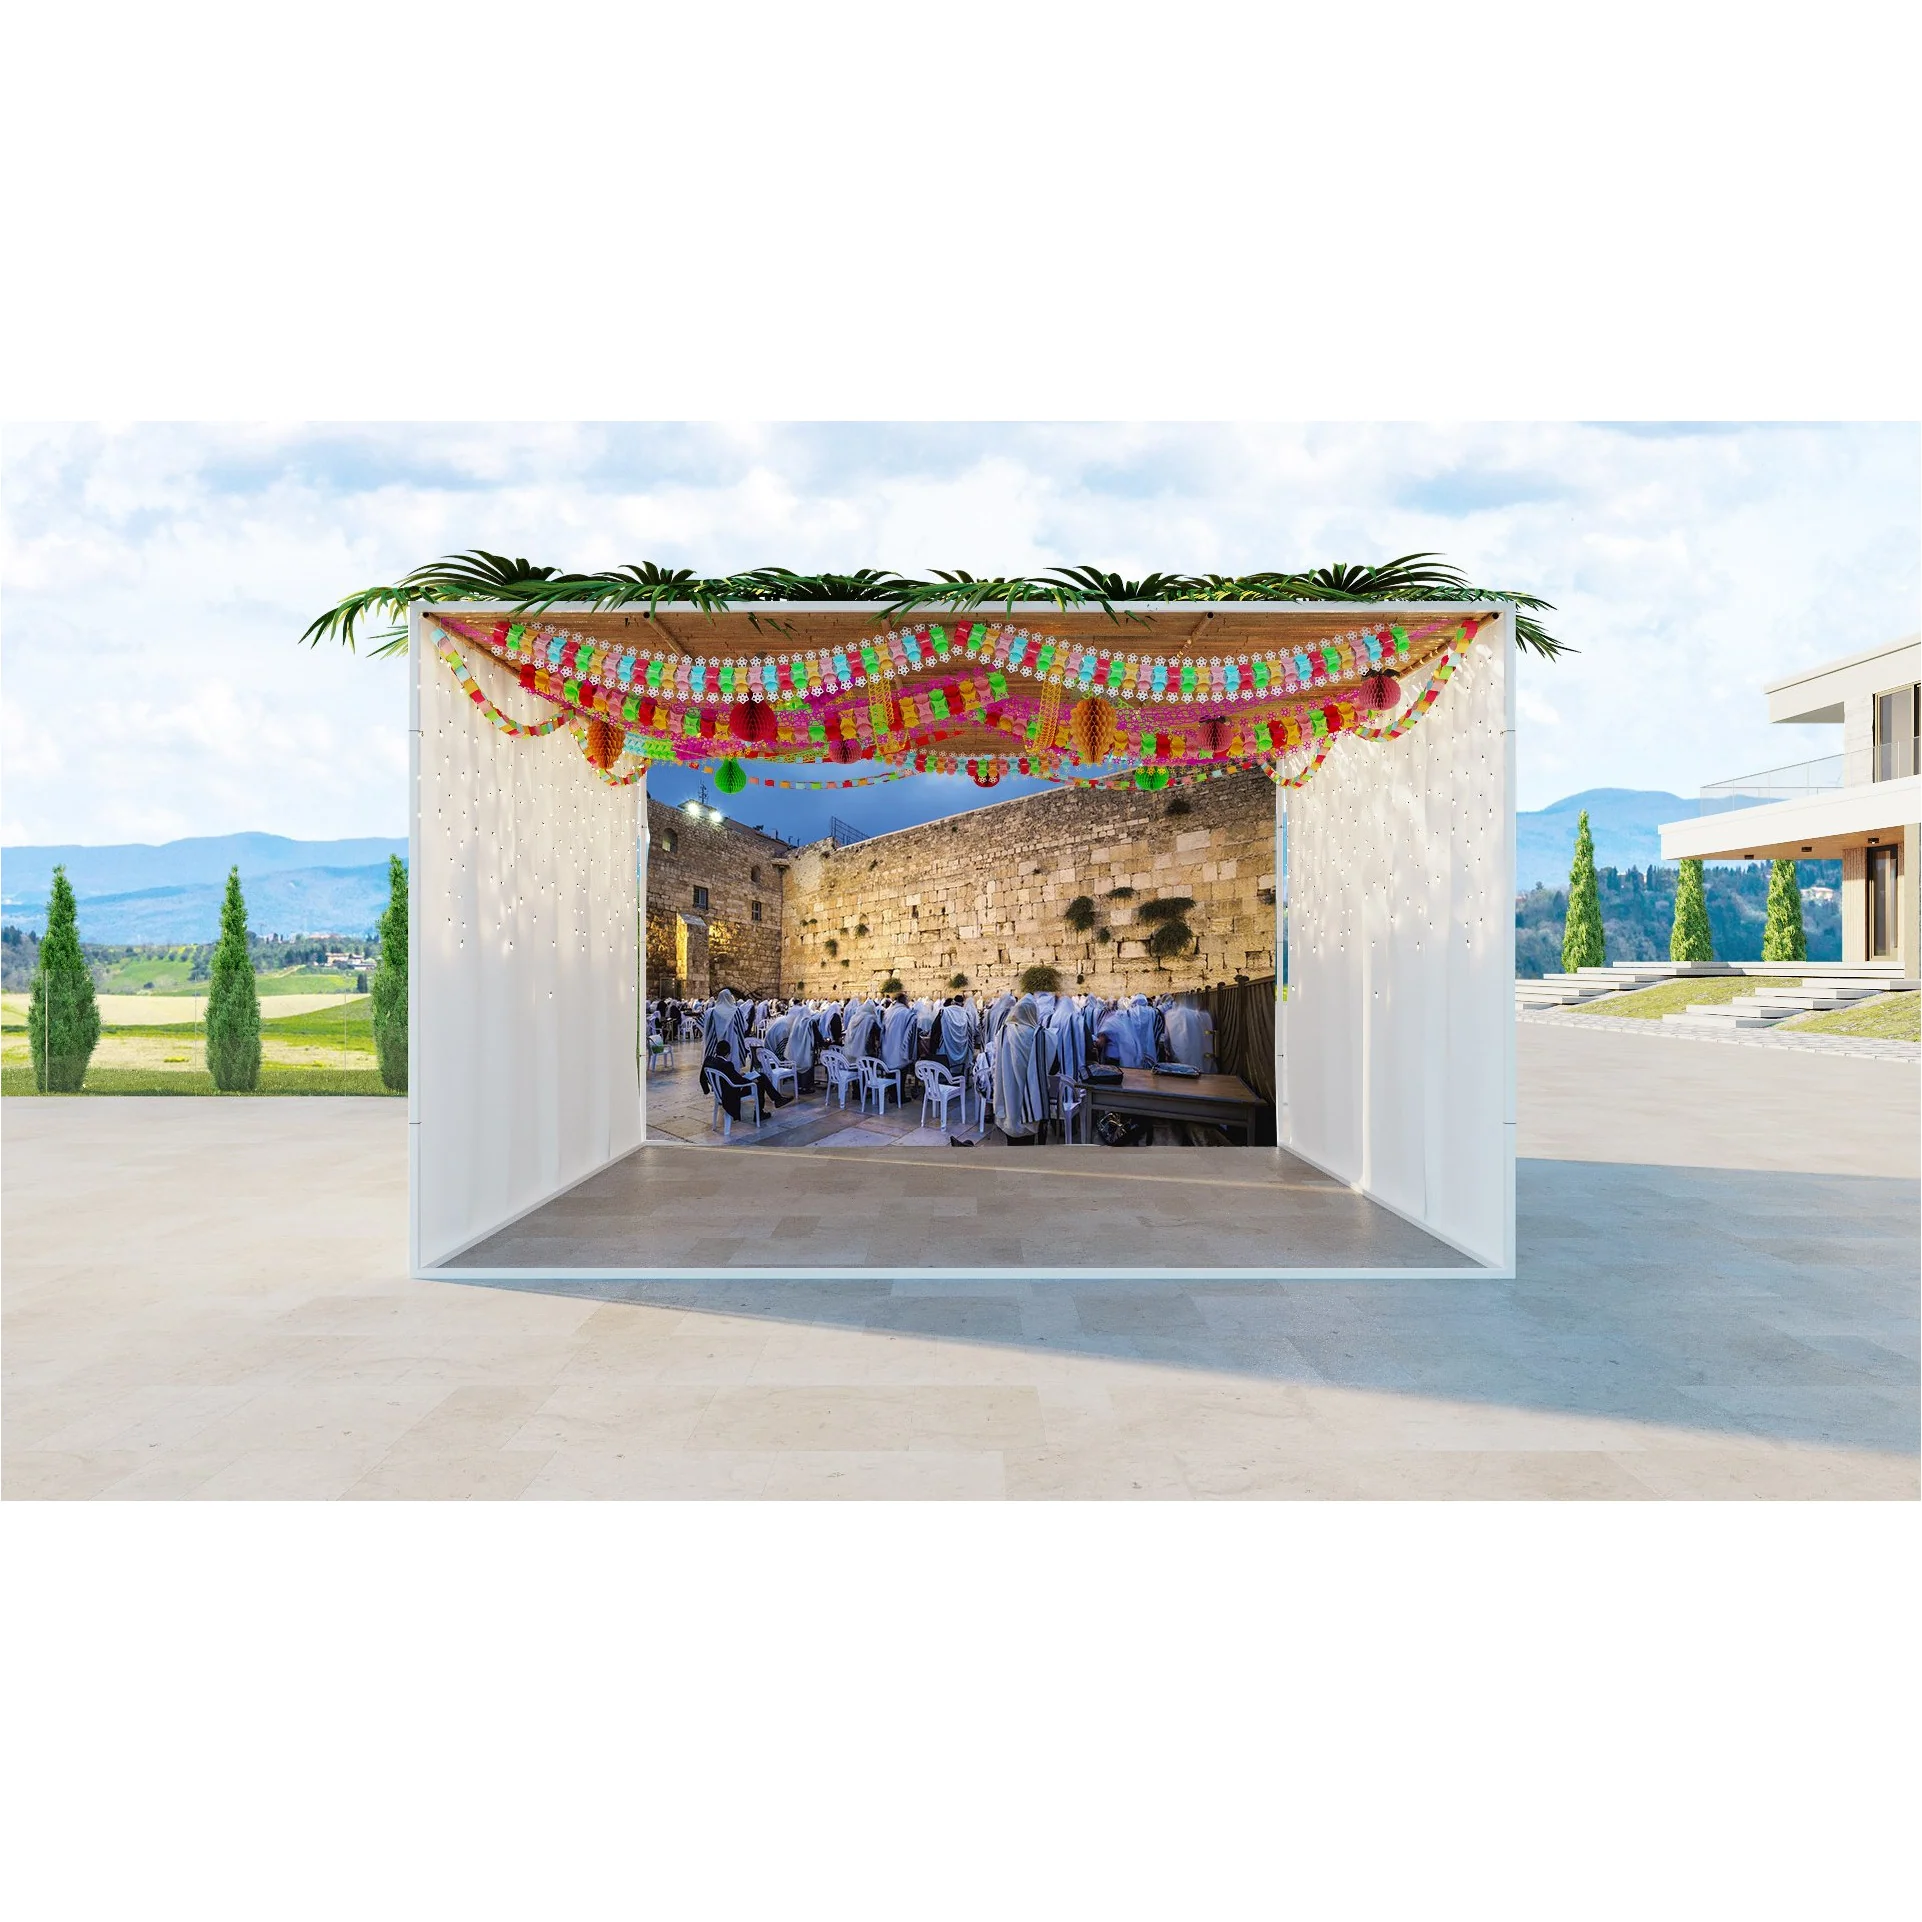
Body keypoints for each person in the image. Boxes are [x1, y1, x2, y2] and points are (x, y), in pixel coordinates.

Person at [700, 987, 791, 1124]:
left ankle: (719, 1094)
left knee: (720, 1074)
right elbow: (742, 1027)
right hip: (732, 1047)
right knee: (737, 1072)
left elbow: (702, 1026)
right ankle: (764, 1107)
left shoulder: (710, 1013)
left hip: (715, 1048)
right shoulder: (735, 1011)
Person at [993, 995, 1048, 1145]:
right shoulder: (1041, 1035)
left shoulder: (1002, 1033)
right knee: (1027, 1139)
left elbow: (994, 1064)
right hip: (1031, 1097)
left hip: (1007, 1094)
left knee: (1011, 1135)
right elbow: (1052, 1065)